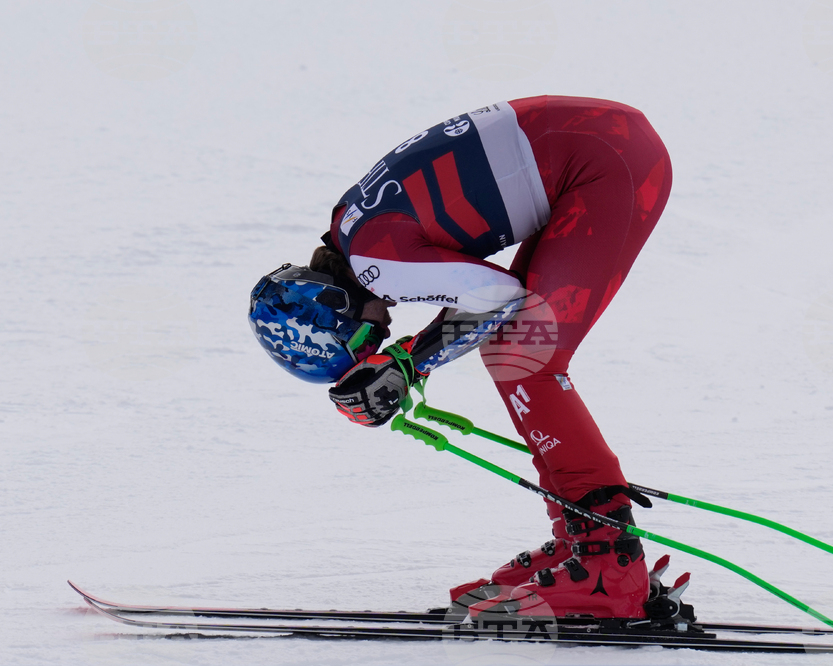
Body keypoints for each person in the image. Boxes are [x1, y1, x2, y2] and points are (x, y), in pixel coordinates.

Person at [248, 96, 672, 619]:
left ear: (334, 314)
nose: (377, 342)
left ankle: (608, 567)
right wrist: (410, 358)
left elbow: (497, 297)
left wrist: (408, 364)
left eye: (359, 348)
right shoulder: (352, 229)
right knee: (513, 348)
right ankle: (580, 541)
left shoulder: (377, 265)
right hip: (603, 145)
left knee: (527, 356)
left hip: (606, 164)